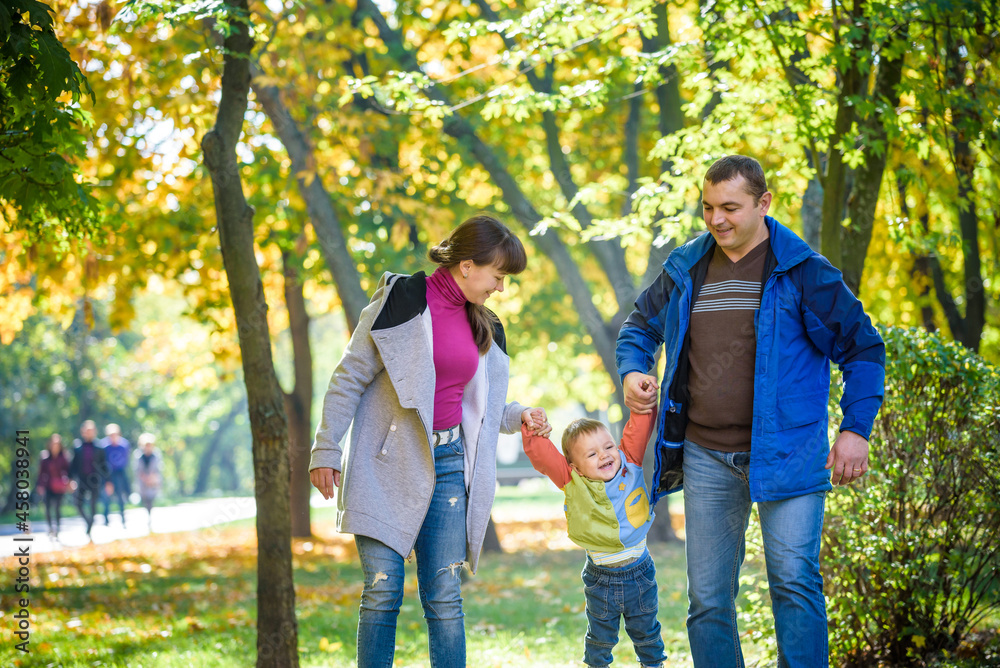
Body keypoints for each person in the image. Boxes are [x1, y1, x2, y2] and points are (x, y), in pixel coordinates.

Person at [616, 155, 885, 668]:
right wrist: (633, 370)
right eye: (708, 207)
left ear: (763, 204)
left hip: (789, 453)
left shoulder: (805, 272)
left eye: (730, 208)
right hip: (703, 455)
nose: (717, 219)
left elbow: (864, 349)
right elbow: (638, 329)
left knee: (794, 584)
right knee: (708, 600)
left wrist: (856, 429)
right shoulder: (686, 266)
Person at [309, 214, 549, 668]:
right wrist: (326, 448)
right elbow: (350, 377)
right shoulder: (401, 299)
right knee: (382, 590)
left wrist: (520, 416)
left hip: (450, 465)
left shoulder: (486, 326)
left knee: (444, 596)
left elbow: (481, 406)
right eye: (497, 277)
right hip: (387, 463)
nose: (500, 288)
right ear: (467, 266)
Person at [520, 394, 666, 668]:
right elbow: (543, 456)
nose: (604, 455)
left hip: (641, 574)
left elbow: (639, 428)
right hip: (601, 580)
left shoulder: (629, 462)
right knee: (599, 640)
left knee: (647, 634)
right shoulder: (571, 480)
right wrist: (533, 428)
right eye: (591, 454)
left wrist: (643, 403)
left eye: (608, 446)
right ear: (575, 467)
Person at [68, 420, 109, 536]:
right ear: (83, 432)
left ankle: (90, 526)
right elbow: (73, 465)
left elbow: (104, 465)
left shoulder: (100, 447)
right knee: (78, 503)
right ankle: (89, 521)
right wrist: (70, 479)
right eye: (87, 431)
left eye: (91, 431)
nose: (89, 433)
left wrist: (108, 481)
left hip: (95, 480)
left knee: (93, 503)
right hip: (82, 479)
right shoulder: (78, 446)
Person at [36, 433, 72, 537]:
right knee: (47, 507)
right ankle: (50, 528)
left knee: (57, 507)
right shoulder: (45, 457)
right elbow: (41, 472)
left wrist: (69, 482)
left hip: (60, 486)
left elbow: (68, 471)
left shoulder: (64, 457)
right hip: (48, 485)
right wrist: (40, 485)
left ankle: (58, 527)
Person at [100, 423, 131, 526]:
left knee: (120, 496)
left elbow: (125, 460)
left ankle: (123, 518)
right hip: (107, 474)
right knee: (107, 496)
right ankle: (106, 519)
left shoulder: (124, 445)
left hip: (120, 473)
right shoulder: (103, 446)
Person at [134, 433, 162, 529]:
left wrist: (152, 478)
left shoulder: (156, 455)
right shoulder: (138, 456)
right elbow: (137, 470)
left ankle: (150, 516)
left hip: (153, 481)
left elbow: (159, 468)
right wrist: (144, 478)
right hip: (143, 482)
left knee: (151, 498)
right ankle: (148, 514)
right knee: (145, 499)